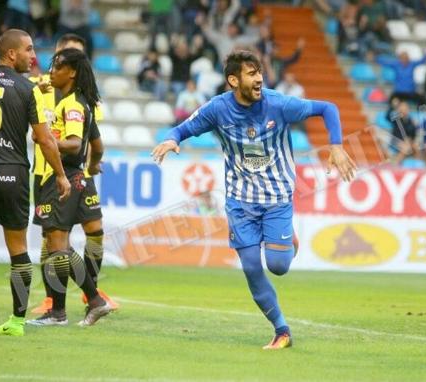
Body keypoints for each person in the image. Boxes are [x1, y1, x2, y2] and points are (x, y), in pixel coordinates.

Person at [151, 50, 356, 349]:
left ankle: (286, 240)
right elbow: (182, 129)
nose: (259, 78)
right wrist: (172, 140)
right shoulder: (218, 109)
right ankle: (281, 329)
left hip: (277, 199)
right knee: (250, 266)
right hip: (240, 203)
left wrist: (336, 146)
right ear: (233, 80)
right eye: (251, 73)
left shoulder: (278, 104)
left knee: (278, 265)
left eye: (259, 71)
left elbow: (328, 108)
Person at [0, 29, 70, 336]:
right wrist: (61, 174)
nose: (34, 56)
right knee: (18, 249)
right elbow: (43, 138)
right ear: (11, 54)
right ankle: (16, 322)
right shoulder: (28, 89)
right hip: (13, 173)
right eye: (28, 50)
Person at [29, 33, 118, 316]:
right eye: (53, 63)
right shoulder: (74, 98)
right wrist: (90, 167)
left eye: (59, 65)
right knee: (56, 240)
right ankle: (66, 302)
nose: (52, 69)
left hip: (61, 176)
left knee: (60, 242)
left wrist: (46, 140)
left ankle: (77, 303)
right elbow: (97, 145)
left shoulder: (72, 104)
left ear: (73, 70)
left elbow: (76, 142)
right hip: (71, 174)